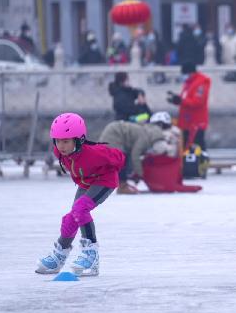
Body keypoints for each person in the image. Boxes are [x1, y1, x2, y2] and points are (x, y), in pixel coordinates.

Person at [36, 113, 125, 276]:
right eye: (57, 140)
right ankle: (60, 255)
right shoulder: (60, 153)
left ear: (79, 140)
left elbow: (119, 157)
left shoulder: (95, 153)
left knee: (81, 208)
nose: (61, 146)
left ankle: (91, 255)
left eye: (66, 141)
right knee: (72, 218)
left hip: (104, 181)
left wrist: (124, 174)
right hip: (86, 183)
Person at [98, 118, 164, 193]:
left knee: (121, 159)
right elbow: (135, 155)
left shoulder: (145, 131)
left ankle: (120, 184)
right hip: (114, 134)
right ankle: (122, 187)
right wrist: (140, 174)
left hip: (113, 129)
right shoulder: (144, 139)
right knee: (121, 159)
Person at [167, 65, 211, 151]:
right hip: (187, 122)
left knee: (197, 147)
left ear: (190, 73)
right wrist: (176, 99)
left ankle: (201, 162)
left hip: (196, 122)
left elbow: (198, 102)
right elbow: (186, 98)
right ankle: (188, 163)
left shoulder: (201, 82)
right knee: (186, 148)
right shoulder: (188, 83)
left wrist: (181, 100)